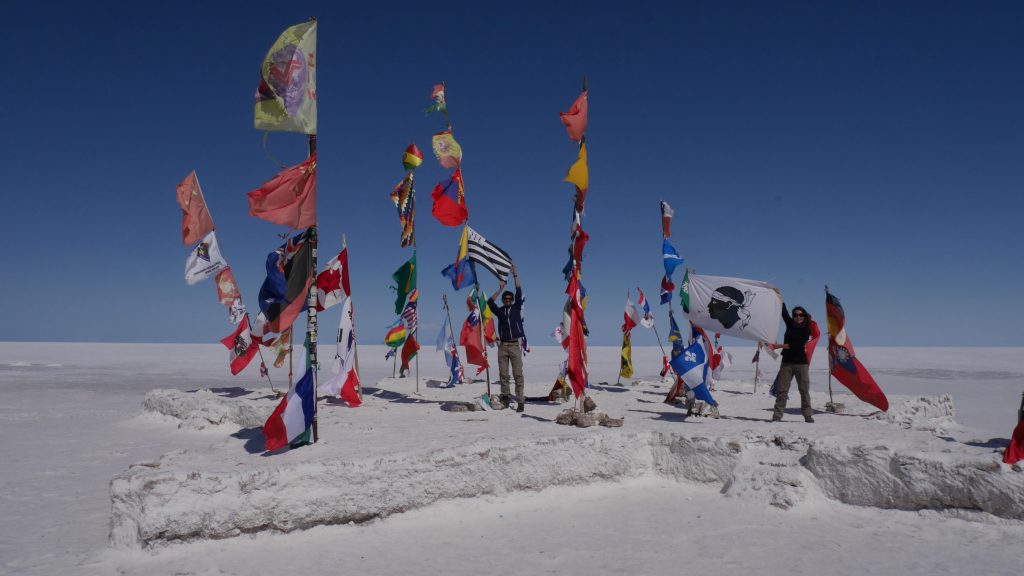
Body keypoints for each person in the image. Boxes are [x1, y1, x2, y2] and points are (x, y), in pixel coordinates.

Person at [487, 265, 526, 412]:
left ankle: (520, 400)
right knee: (503, 374)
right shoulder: (500, 311)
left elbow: (518, 291)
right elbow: (490, 303)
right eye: (506, 298)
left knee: (517, 374)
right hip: (503, 346)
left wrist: (515, 274)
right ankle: (505, 398)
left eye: (510, 299)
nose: (508, 300)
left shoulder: (516, 308)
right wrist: (500, 289)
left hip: (515, 345)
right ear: (503, 300)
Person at [769, 303, 814, 422]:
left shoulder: (806, 329)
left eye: (800, 315)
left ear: (804, 316)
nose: (798, 317)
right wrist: (780, 299)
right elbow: (784, 313)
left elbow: (797, 346)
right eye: (795, 315)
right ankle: (777, 415)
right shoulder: (790, 325)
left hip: (801, 363)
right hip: (787, 362)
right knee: (782, 390)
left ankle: (807, 414)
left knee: (804, 390)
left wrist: (779, 346)